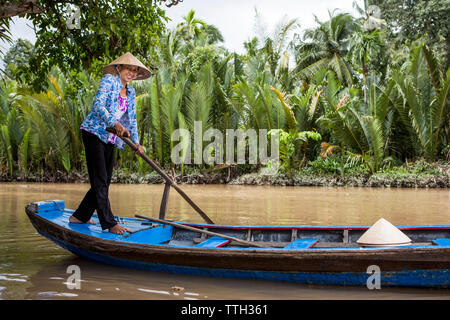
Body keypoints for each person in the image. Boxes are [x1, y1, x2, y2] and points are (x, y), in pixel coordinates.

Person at [69, 52, 151, 234]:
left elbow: (133, 119)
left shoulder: (131, 91)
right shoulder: (109, 80)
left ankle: (80, 216)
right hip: (94, 132)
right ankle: (109, 222)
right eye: (129, 68)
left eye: (135, 70)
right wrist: (115, 123)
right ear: (119, 67)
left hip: (111, 137)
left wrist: (137, 143)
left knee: (104, 181)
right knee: (100, 180)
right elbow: (98, 106)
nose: (132, 73)